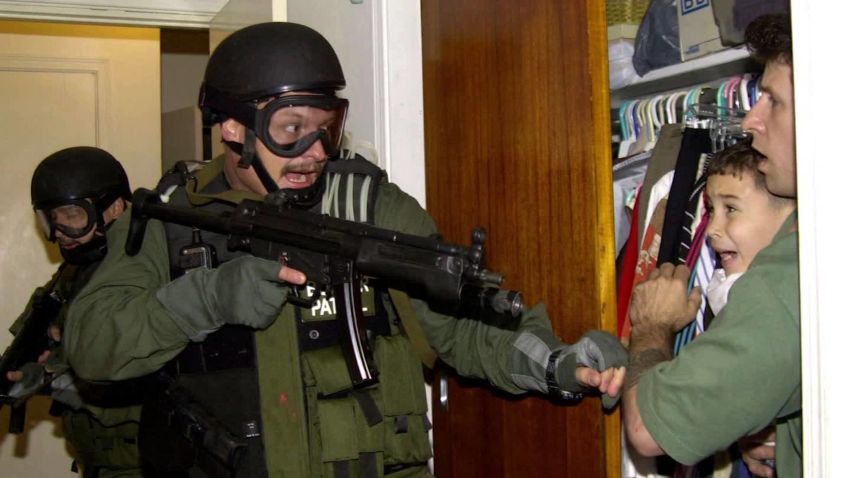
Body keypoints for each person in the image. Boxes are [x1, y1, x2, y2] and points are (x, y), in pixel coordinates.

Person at [63, 22, 628, 477]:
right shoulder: (171, 220)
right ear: (234, 127)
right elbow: (91, 348)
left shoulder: (367, 207)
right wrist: (204, 300)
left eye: (326, 127)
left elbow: (460, 327)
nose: (314, 150)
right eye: (290, 129)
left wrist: (556, 363)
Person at [622, 12, 800, 478]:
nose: (751, 119)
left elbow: (647, 430)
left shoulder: (789, 278)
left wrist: (652, 326)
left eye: (774, 102)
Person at [6, 146, 143, 477]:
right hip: (97, 461)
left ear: (114, 207)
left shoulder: (141, 272)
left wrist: (64, 376)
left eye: (72, 215)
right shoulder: (73, 273)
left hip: (142, 463)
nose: (60, 232)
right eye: (51, 218)